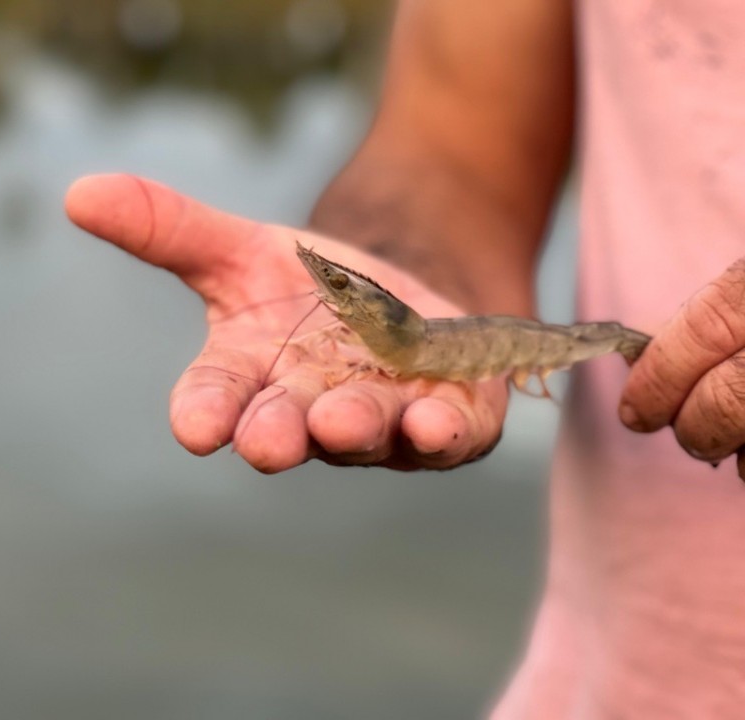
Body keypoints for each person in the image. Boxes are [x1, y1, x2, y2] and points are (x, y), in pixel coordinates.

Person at [66, 0, 745, 715]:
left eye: (332, 287)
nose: (327, 291)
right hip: (612, 677)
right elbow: (452, 148)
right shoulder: (370, 328)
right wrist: (393, 259)